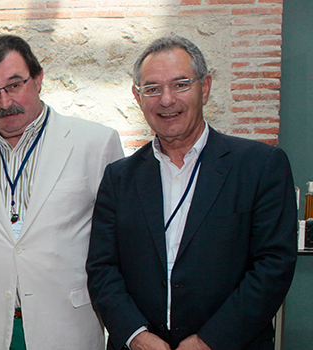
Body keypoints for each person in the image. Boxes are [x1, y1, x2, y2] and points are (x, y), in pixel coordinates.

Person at [86, 36, 297, 350]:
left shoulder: (260, 166)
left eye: (181, 84)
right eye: (152, 88)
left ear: (206, 87)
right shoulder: (119, 177)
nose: (166, 100)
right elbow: (102, 268)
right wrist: (136, 337)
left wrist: (209, 341)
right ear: (137, 96)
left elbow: (273, 266)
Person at [0, 34, 125, 350]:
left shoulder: (96, 143)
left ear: (38, 79)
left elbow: (122, 242)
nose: (4, 102)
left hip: (67, 324)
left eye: (15, 85)